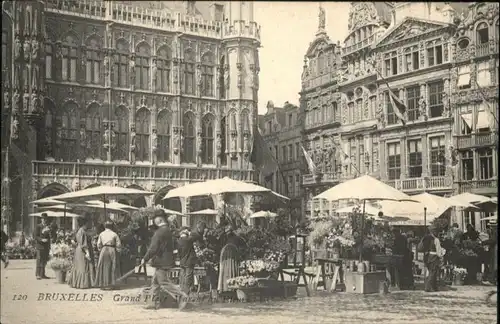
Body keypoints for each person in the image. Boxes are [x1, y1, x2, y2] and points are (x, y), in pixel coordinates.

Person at [142, 210, 188, 310]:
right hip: (166, 260)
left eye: (154, 219)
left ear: (159, 219)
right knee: (155, 283)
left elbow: (153, 248)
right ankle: (153, 303)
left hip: (161, 261)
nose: (153, 221)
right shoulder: (168, 230)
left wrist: (145, 258)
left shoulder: (159, 232)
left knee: (163, 282)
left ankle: (182, 296)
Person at [177, 223, 206, 295]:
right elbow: (197, 236)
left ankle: (182, 290)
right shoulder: (188, 240)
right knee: (188, 277)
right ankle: (186, 293)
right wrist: (189, 232)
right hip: (189, 261)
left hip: (182, 261)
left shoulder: (179, 240)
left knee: (183, 276)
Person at [68, 217, 95, 289]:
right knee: (83, 266)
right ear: (85, 223)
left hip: (78, 250)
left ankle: (76, 283)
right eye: (88, 223)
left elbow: (73, 241)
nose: (89, 224)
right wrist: (87, 252)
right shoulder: (82, 231)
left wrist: (77, 245)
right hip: (82, 250)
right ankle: (82, 284)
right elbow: (84, 244)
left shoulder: (79, 230)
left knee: (79, 266)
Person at [218, 224, 245, 294]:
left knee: (228, 270)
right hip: (228, 257)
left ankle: (227, 287)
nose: (227, 234)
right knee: (230, 270)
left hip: (229, 256)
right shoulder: (227, 237)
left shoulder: (224, 237)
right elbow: (244, 244)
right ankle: (228, 286)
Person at [94, 221, 122, 290]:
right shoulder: (114, 234)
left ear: (105, 226)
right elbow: (119, 244)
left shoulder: (101, 234)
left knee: (103, 266)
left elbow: (98, 244)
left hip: (104, 249)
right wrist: (118, 250)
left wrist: (101, 250)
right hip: (112, 249)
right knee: (113, 265)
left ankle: (103, 284)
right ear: (111, 226)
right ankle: (112, 284)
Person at [419, 228, 445, 292]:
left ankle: (434, 287)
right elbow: (438, 252)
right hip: (434, 257)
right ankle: (428, 287)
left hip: (427, 256)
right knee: (433, 272)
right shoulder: (436, 240)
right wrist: (442, 254)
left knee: (429, 272)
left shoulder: (427, 238)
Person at [34, 213, 51, 279]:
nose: (44, 220)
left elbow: (49, 237)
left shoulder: (47, 226)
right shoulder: (38, 226)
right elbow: (35, 236)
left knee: (44, 260)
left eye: (45, 219)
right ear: (41, 219)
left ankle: (42, 274)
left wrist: (49, 244)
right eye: (43, 219)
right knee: (39, 260)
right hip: (40, 245)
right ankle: (38, 274)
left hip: (46, 246)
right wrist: (41, 239)